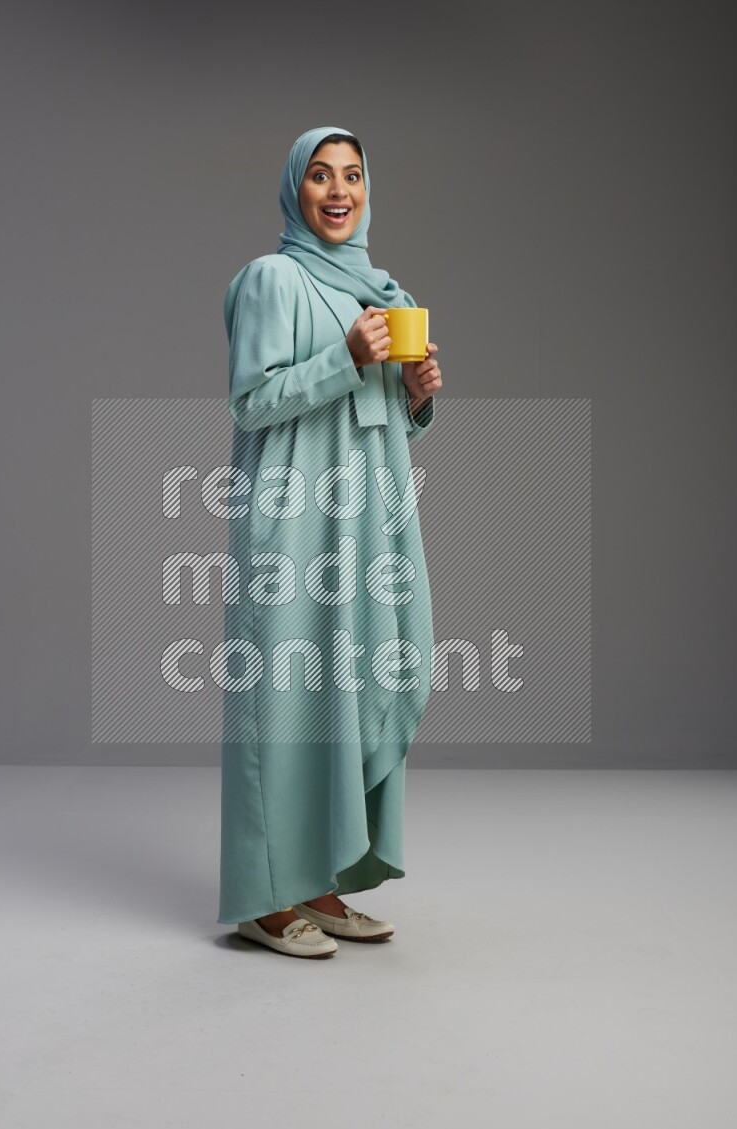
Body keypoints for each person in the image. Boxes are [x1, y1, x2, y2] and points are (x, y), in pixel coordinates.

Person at [217, 126, 442, 958]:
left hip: (367, 517)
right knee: (285, 697)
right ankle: (261, 897)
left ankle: (318, 877)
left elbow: (376, 423)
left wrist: (414, 394)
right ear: (294, 191)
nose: (338, 190)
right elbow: (251, 401)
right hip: (293, 518)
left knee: (361, 679)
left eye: (352, 175)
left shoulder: (382, 290)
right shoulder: (271, 279)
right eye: (320, 176)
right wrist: (348, 356)